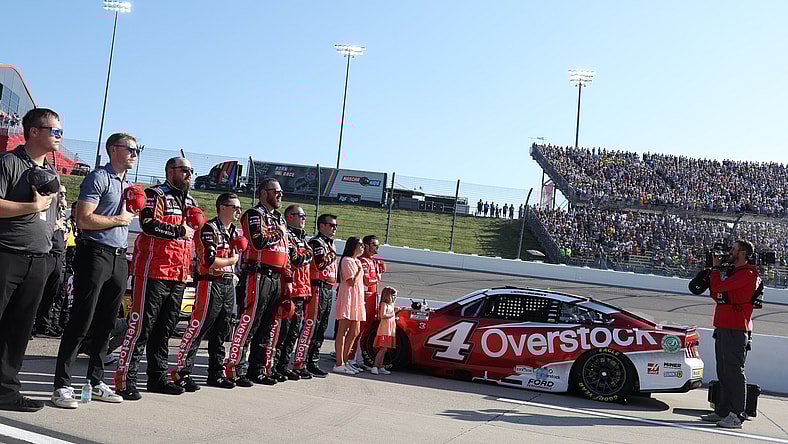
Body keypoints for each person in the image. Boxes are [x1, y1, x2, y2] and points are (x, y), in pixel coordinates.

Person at [53, 133, 139, 409]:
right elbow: (84, 219)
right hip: (95, 254)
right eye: (131, 149)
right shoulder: (98, 178)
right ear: (114, 149)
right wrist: (120, 219)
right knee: (82, 320)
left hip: (118, 257)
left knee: (106, 323)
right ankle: (62, 386)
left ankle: (96, 381)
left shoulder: (126, 183)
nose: (135, 154)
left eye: (138, 150)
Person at [114, 157, 198, 400]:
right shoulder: (155, 194)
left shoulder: (190, 201)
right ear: (171, 171)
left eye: (192, 171)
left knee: (165, 331)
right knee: (140, 328)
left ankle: (157, 378)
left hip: (179, 274)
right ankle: (124, 380)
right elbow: (148, 225)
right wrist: (178, 230)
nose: (190, 174)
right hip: (153, 272)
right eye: (185, 170)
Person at [0, 108, 60, 412]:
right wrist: (30, 206)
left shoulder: (51, 169)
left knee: (18, 330)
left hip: (38, 258)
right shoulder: (9, 163)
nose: (59, 137)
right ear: (34, 132)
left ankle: (5, 391)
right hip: (6, 254)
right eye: (55, 131)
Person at [169, 193, 242, 392]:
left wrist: (230, 265)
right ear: (222, 207)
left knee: (222, 331)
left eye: (239, 207)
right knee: (198, 327)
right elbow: (209, 261)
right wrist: (231, 261)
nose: (238, 211)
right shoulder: (209, 228)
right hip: (210, 282)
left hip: (228, 284)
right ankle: (181, 372)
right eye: (235, 207)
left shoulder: (234, 230)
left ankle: (216, 373)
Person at [224, 178, 288, 386]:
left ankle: (257, 369)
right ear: (262, 192)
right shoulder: (254, 214)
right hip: (257, 275)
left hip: (276, 277)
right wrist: (278, 232)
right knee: (249, 322)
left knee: (268, 326)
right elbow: (258, 241)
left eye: (280, 192)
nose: (279, 195)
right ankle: (235, 368)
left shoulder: (278, 217)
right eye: (275, 191)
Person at [700, 240, 759, 429]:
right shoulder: (736, 273)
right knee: (723, 371)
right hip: (724, 326)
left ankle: (736, 415)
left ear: (742, 253)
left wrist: (716, 271)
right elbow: (716, 294)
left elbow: (718, 288)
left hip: (736, 328)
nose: (728, 253)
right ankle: (723, 410)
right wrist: (715, 273)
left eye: (733, 250)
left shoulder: (748, 274)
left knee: (734, 372)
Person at [292, 213, 338, 378]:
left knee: (322, 327)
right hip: (317, 287)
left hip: (327, 288)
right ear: (322, 226)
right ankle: (300, 362)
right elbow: (320, 264)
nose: (335, 229)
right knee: (311, 325)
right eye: (332, 225)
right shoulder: (316, 242)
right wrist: (332, 253)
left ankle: (313, 361)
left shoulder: (329, 244)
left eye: (336, 226)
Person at [271, 205, 313, 380]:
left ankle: (284, 365)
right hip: (290, 290)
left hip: (303, 290)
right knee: (282, 332)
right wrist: (306, 254)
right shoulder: (287, 236)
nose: (303, 218)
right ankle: (273, 366)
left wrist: (306, 254)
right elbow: (296, 259)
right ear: (289, 217)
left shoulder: (303, 238)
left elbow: (308, 256)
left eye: (304, 215)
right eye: (299, 215)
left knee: (293, 332)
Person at [34, 184, 68, 337]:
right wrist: (55, 225)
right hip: (47, 255)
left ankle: (44, 325)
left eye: (65, 194)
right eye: (61, 194)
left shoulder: (62, 214)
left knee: (51, 295)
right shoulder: (47, 210)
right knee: (38, 292)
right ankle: (32, 324)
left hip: (59, 256)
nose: (63, 197)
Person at [349, 235, 385, 370]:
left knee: (364, 331)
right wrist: (376, 277)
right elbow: (365, 281)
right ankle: (350, 358)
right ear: (366, 245)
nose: (376, 247)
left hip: (371, 300)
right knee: (357, 330)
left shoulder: (372, 261)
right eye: (374, 244)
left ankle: (358, 358)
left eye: (377, 245)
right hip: (363, 300)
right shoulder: (362, 261)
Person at [333, 237, 365, 375]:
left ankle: (345, 360)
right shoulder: (347, 261)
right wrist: (359, 270)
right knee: (343, 331)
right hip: (348, 297)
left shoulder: (357, 261)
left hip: (357, 298)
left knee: (355, 331)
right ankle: (339, 362)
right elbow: (351, 281)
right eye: (360, 244)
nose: (363, 247)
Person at [371, 287, 397, 375]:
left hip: (390, 329)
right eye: (393, 296)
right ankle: (375, 366)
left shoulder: (390, 305)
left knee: (385, 349)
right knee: (382, 349)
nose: (394, 298)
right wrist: (392, 313)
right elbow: (382, 315)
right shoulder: (384, 304)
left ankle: (380, 366)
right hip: (384, 329)